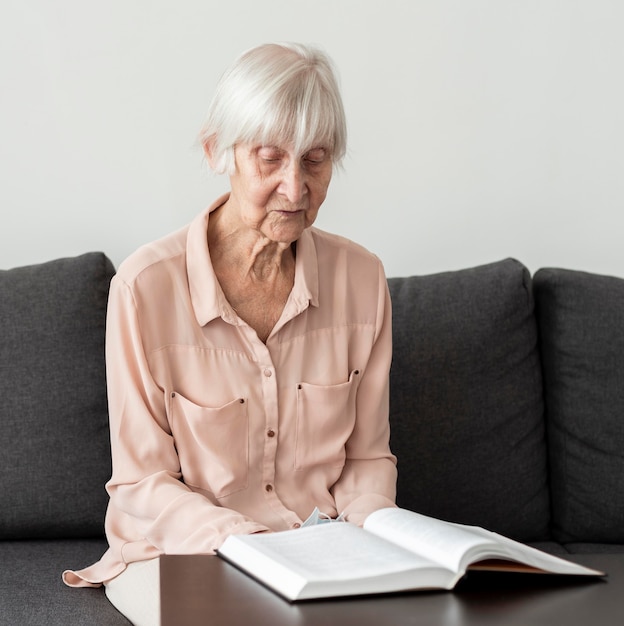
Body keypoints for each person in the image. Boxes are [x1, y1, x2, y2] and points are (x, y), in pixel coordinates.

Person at [63, 42, 397, 624]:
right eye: (270, 159)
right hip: (181, 551)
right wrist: (249, 543)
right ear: (219, 150)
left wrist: (368, 535)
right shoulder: (145, 289)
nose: (296, 189)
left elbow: (367, 459)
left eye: (315, 160)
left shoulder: (362, 280)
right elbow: (143, 484)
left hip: (320, 550)